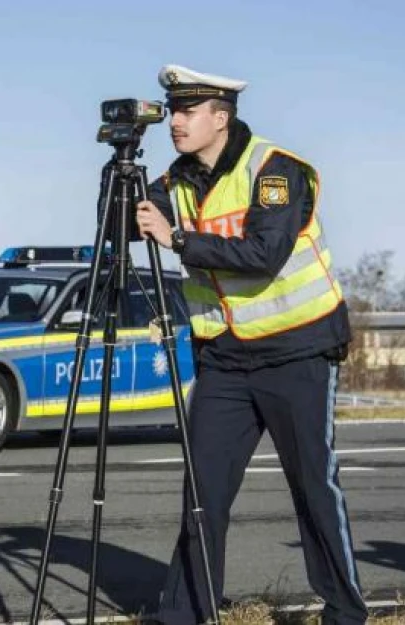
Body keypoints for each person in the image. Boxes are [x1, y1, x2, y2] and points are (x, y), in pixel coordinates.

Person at [134, 64, 368, 625]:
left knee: (314, 485)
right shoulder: (176, 182)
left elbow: (264, 255)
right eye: (173, 112)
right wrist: (119, 180)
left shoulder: (276, 172)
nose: (176, 123)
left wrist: (180, 239)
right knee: (202, 493)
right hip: (225, 359)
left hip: (298, 349)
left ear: (221, 117)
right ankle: (186, 614)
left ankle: (344, 613)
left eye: (189, 112)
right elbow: (124, 227)